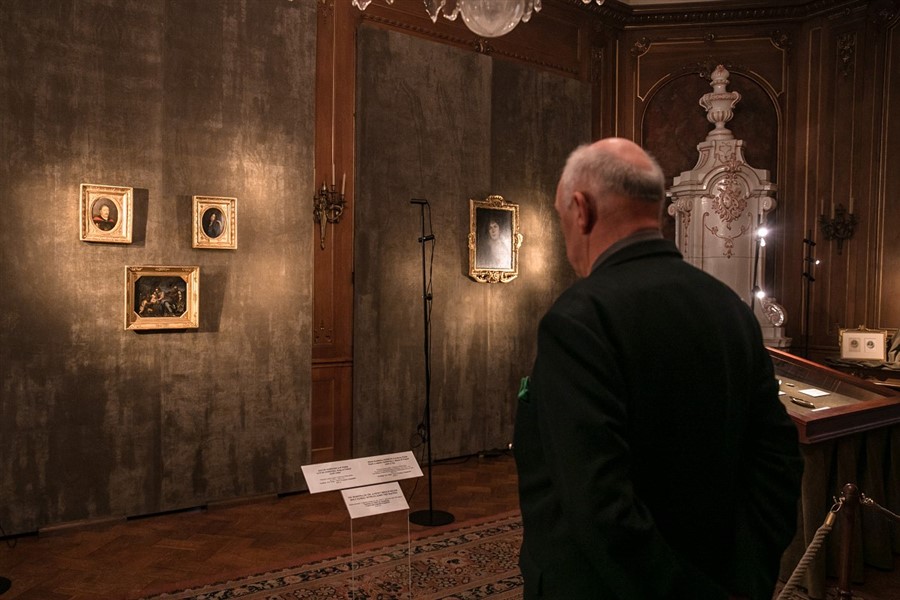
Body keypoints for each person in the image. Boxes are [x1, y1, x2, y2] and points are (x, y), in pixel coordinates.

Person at [513, 137, 803, 599]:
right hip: (720, 576)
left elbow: (599, 505)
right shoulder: (730, 308)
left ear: (581, 210)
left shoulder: (579, 319)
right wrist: (747, 578)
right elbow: (779, 462)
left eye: (560, 215)